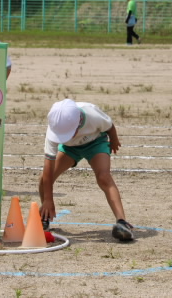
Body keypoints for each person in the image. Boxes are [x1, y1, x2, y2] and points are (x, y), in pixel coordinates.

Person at [38, 98, 134, 241]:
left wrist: (114, 140)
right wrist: (48, 199)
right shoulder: (54, 128)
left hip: (95, 142)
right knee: (44, 179)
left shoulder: (92, 114)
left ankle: (122, 222)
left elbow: (109, 127)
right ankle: (45, 217)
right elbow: (48, 165)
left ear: (79, 122)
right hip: (70, 149)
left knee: (104, 177)